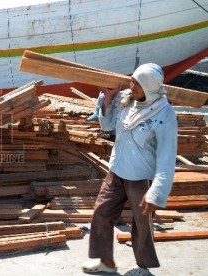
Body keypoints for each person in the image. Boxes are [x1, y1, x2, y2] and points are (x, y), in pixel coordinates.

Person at [82, 63, 178, 276]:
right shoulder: (125, 100)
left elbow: (167, 158)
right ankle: (106, 262)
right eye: (132, 80)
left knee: (142, 225)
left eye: (137, 83)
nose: (131, 85)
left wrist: (157, 193)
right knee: (101, 214)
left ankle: (143, 267)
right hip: (116, 171)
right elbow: (107, 127)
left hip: (141, 178)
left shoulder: (165, 114)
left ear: (150, 88)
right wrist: (107, 98)